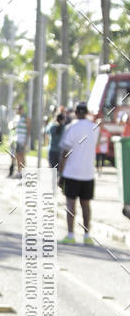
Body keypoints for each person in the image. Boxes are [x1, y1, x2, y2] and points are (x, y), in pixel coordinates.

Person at [59, 101, 99, 245]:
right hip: (88, 172)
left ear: (75, 113)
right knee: (86, 205)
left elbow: (65, 152)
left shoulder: (71, 127)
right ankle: (87, 236)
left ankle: (70, 235)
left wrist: (60, 174)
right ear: (87, 113)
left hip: (71, 172)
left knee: (70, 204)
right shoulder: (95, 127)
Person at [10, 104, 30, 177]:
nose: (18, 110)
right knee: (17, 156)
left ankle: (23, 171)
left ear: (22, 110)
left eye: (19, 109)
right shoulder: (16, 118)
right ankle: (19, 171)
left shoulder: (26, 118)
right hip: (16, 140)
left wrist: (26, 141)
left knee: (22, 156)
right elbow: (14, 129)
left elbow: (28, 130)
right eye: (17, 109)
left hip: (22, 140)